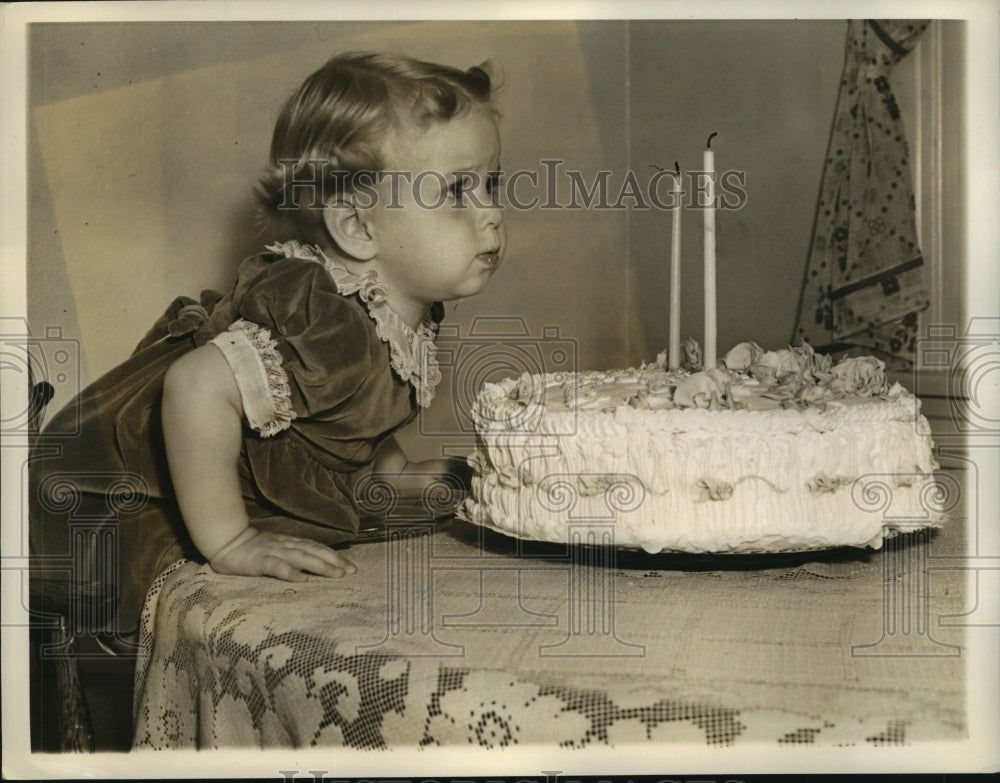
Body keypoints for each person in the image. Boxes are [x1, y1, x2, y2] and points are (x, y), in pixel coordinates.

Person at [29, 51, 506, 636]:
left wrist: (395, 476)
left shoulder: (398, 311)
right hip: (134, 489)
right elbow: (194, 384)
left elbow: (339, 424)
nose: (493, 214)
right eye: (458, 192)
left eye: (491, 184)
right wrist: (232, 541)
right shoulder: (323, 315)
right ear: (357, 228)